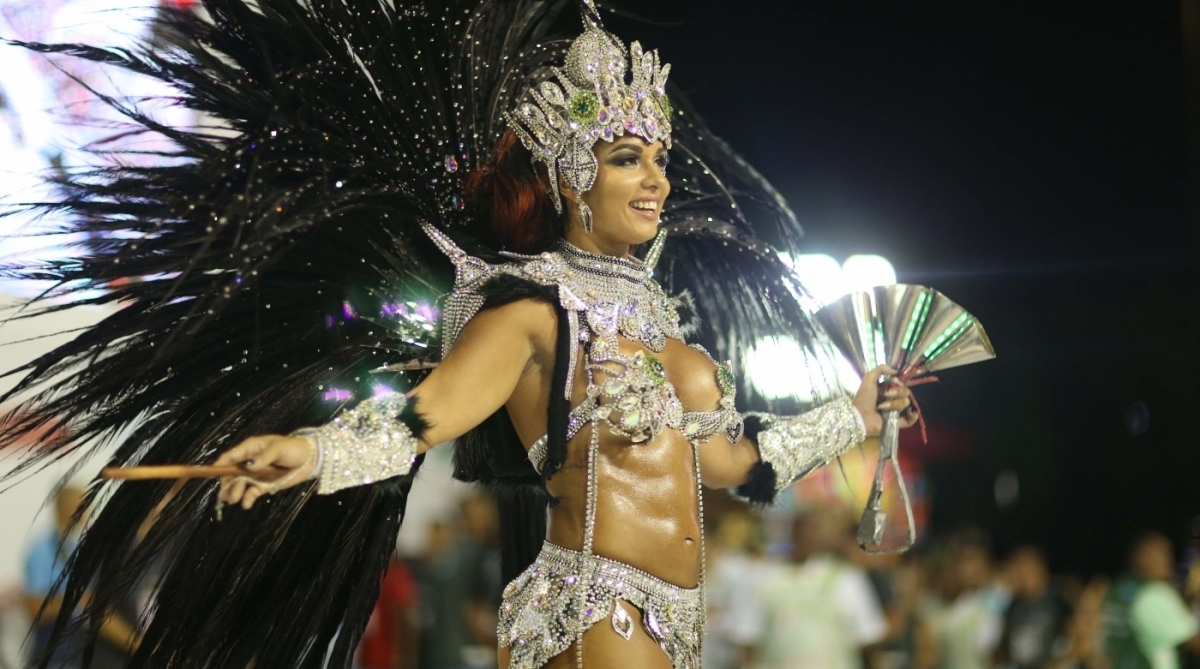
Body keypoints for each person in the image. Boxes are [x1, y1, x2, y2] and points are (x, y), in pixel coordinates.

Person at [1, 1, 918, 668]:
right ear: (569, 177)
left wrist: (857, 414)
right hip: (594, 605)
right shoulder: (529, 312)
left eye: (660, 161)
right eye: (625, 159)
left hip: (678, 615)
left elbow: (732, 467)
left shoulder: (663, 327)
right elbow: (422, 418)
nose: (656, 182)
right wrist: (307, 452)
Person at [727, 508, 888, 669]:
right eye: (804, 530)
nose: (808, 537)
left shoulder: (846, 579)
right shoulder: (763, 578)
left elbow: (869, 636)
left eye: (815, 530)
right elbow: (746, 639)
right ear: (792, 533)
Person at [22, 487, 140, 669]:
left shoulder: (87, 548)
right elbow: (34, 607)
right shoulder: (43, 550)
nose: (88, 511)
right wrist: (77, 599)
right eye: (83, 505)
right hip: (56, 652)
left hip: (86, 651)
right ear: (66, 508)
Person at [1102, 532, 1199, 669]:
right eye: (1161, 553)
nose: (1169, 559)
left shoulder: (1117, 588)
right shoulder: (1154, 593)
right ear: (1140, 557)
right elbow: (1194, 641)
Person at [994, 546, 1072, 669]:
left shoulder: (1058, 603)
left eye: (1020, 569)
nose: (1014, 575)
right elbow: (1003, 650)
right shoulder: (1013, 607)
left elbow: (1077, 643)